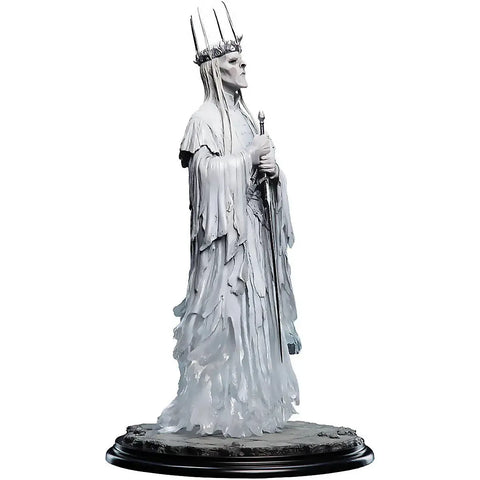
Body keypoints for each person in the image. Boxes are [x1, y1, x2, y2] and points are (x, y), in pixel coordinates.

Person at [157, 7, 301, 438]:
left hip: (254, 235)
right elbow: (203, 178)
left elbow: (260, 177)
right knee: (228, 318)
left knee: (256, 316)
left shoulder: (245, 118)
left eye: (242, 59)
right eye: (234, 61)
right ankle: (217, 411)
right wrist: (247, 159)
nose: (243, 66)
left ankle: (257, 405)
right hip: (225, 248)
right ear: (215, 70)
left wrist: (274, 175)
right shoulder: (201, 122)